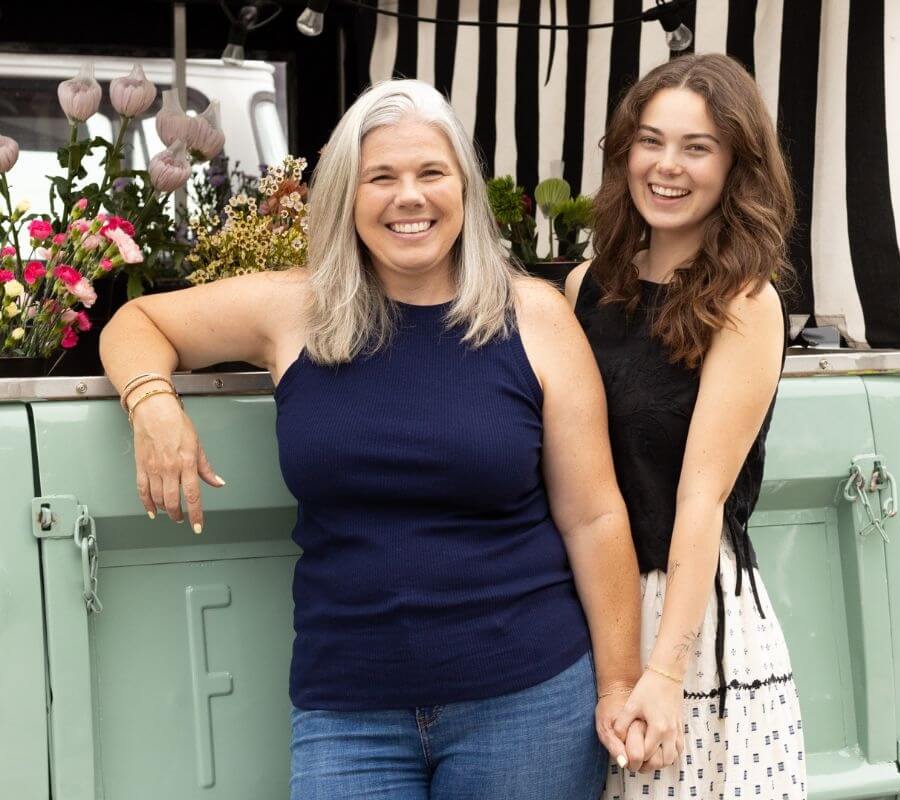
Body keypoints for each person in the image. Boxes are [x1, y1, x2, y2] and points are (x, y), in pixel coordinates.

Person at [100, 79, 648, 800]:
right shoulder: (294, 309)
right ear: (347, 199)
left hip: (528, 701)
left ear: (464, 189)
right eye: (380, 177)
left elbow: (595, 517)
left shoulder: (534, 318)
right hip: (346, 711)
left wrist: (616, 685)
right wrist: (153, 404)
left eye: (430, 173)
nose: (408, 197)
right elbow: (137, 324)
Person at [565, 53, 808, 799]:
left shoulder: (746, 303)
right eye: (651, 140)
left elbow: (700, 501)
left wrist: (665, 674)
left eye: (696, 147)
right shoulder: (585, 286)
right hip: (580, 608)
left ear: (737, 164)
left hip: (685, 622)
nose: (667, 166)